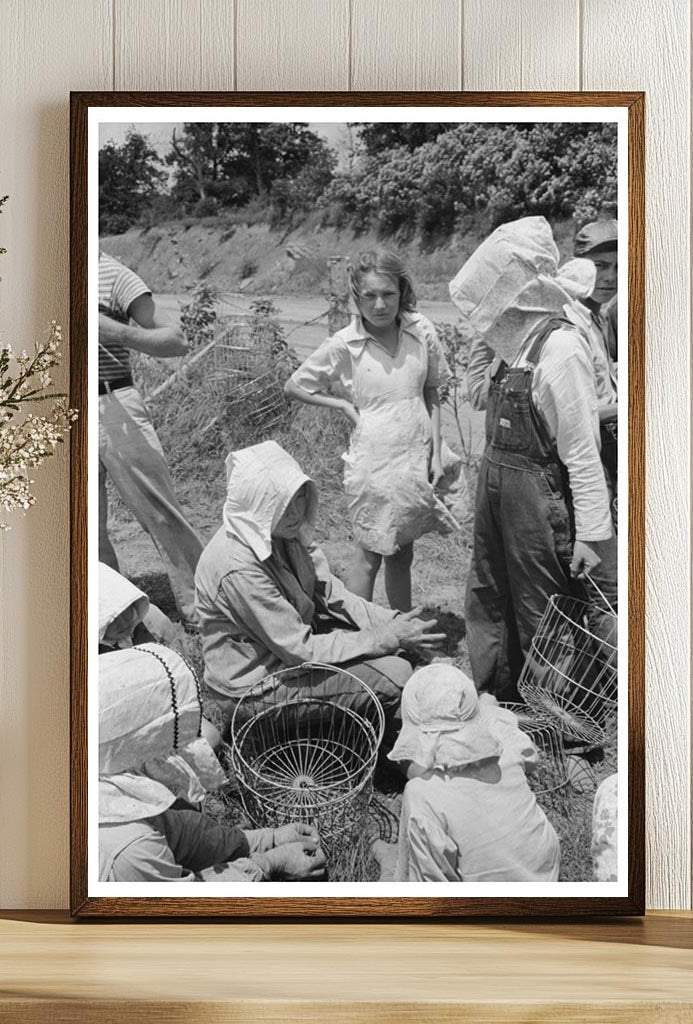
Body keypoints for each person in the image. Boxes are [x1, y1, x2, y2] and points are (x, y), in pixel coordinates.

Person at [451, 216, 614, 697]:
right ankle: (498, 698)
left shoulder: (559, 346)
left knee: (542, 609)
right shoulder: (514, 347)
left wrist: (591, 534)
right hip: (498, 493)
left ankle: (559, 724)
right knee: (489, 596)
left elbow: (583, 452)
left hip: (537, 500)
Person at [194, 440, 445, 727]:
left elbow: (332, 593)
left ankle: (401, 733)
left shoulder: (282, 531)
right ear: (258, 507)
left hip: (287, 654)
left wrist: (397, 622)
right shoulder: (237, 566)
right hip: (255, 686)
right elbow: (300, 650)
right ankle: (378, 746)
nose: (296, 512)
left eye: (299, 498)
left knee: (402, 652)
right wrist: (387, 637)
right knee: (396, 675)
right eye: (282, 505)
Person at [284, 250, 466, 611]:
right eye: (369, 296)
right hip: (374, 459)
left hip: (415, 453)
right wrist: (342, 405)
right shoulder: (344, 344)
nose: (380, 304)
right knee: (369, 553)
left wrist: (434, 452)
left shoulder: (420, 329)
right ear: (356, 297)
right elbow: (296, 385)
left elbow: (431, 391)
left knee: (402, 551)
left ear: (402, 292)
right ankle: (360, 635)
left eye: (388, 294)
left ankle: (400, 628)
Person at [98, 627, 326, 883]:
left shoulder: (110, 778)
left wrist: (268, 839)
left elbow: (179, 832)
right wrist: (268, 864)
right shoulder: (132, 850)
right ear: (141, 747)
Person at [98, 251, 205, 627]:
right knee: (84, 524)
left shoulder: (113, 275)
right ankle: (110, 621)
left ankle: (204, 614)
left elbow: (176, 340)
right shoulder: (48, 271)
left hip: (114, 402)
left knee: (161, 513)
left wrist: (116, 332)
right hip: (60, 405)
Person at [387, 664, 560, 882]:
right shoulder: (504, 743)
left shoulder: (422, 792)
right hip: (544, 870)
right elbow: (528, 756)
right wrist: (490, 709)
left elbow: (431, 876)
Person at [573, 220, 620, 493]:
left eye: (617, 267)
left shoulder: (601, 315)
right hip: (583, 468)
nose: (610, 277)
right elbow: (571, 417)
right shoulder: (568, 323)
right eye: (599, 266)